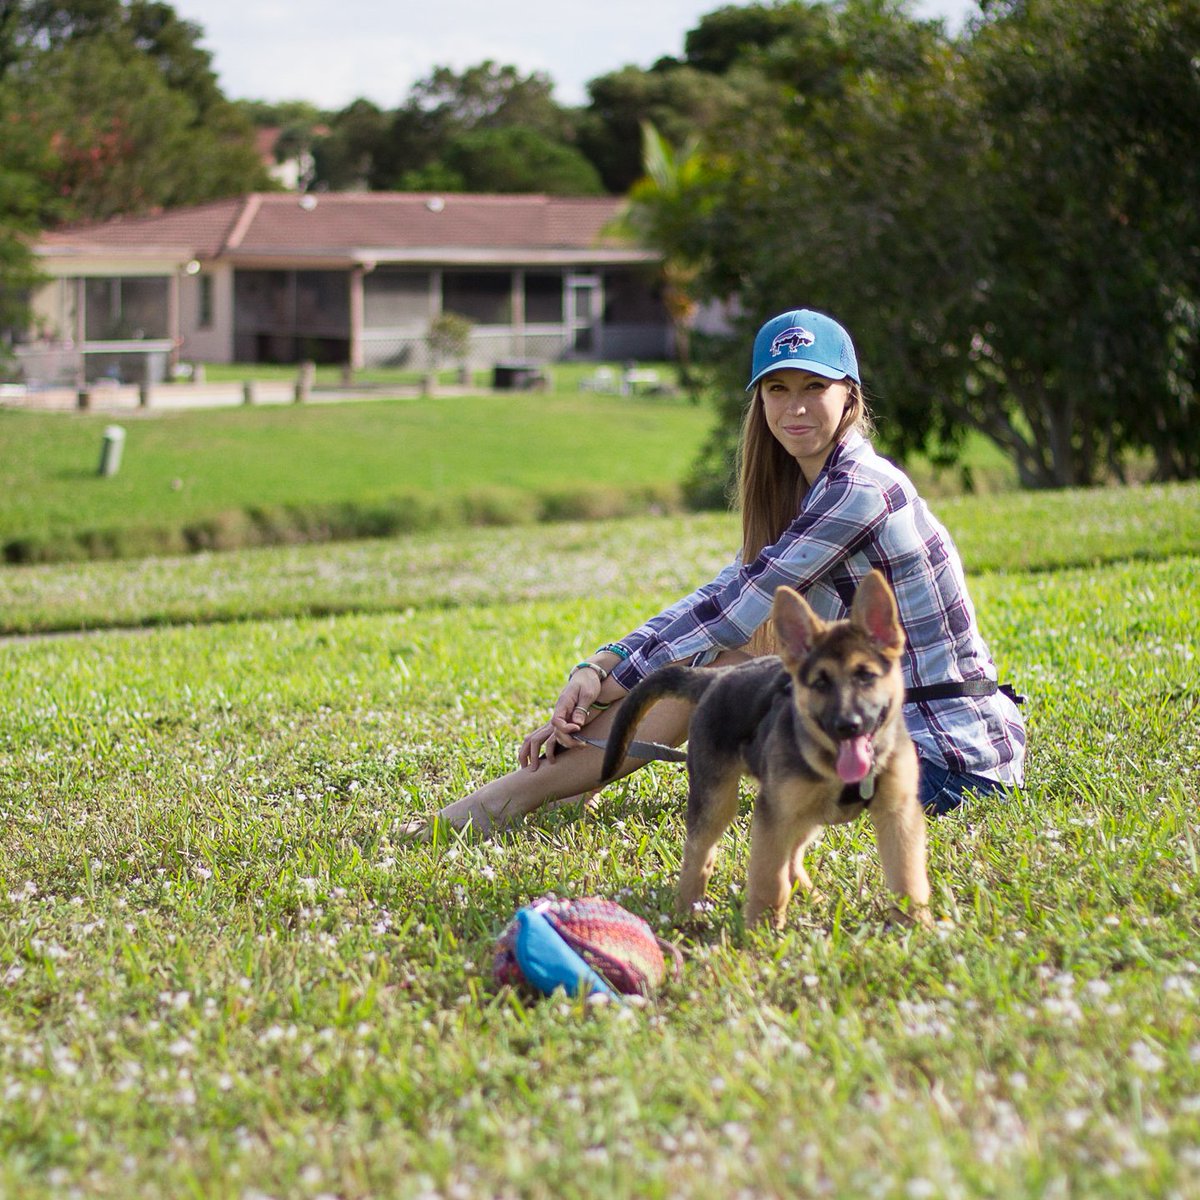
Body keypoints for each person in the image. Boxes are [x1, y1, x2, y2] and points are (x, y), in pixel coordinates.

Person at [414, 308, 1026, 837]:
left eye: (815, 386)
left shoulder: (860, 492)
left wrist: (613, 677)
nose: (796, 407)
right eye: (777, 390)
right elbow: (719, 593)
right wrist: (602, 663)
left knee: (720, 670)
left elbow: (733, 614)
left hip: (944, 759)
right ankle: (556, 785)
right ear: (759, 401)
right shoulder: (814, 491)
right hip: (882, 734)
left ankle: (512, 797)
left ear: (851, 397)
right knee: (723, 667)